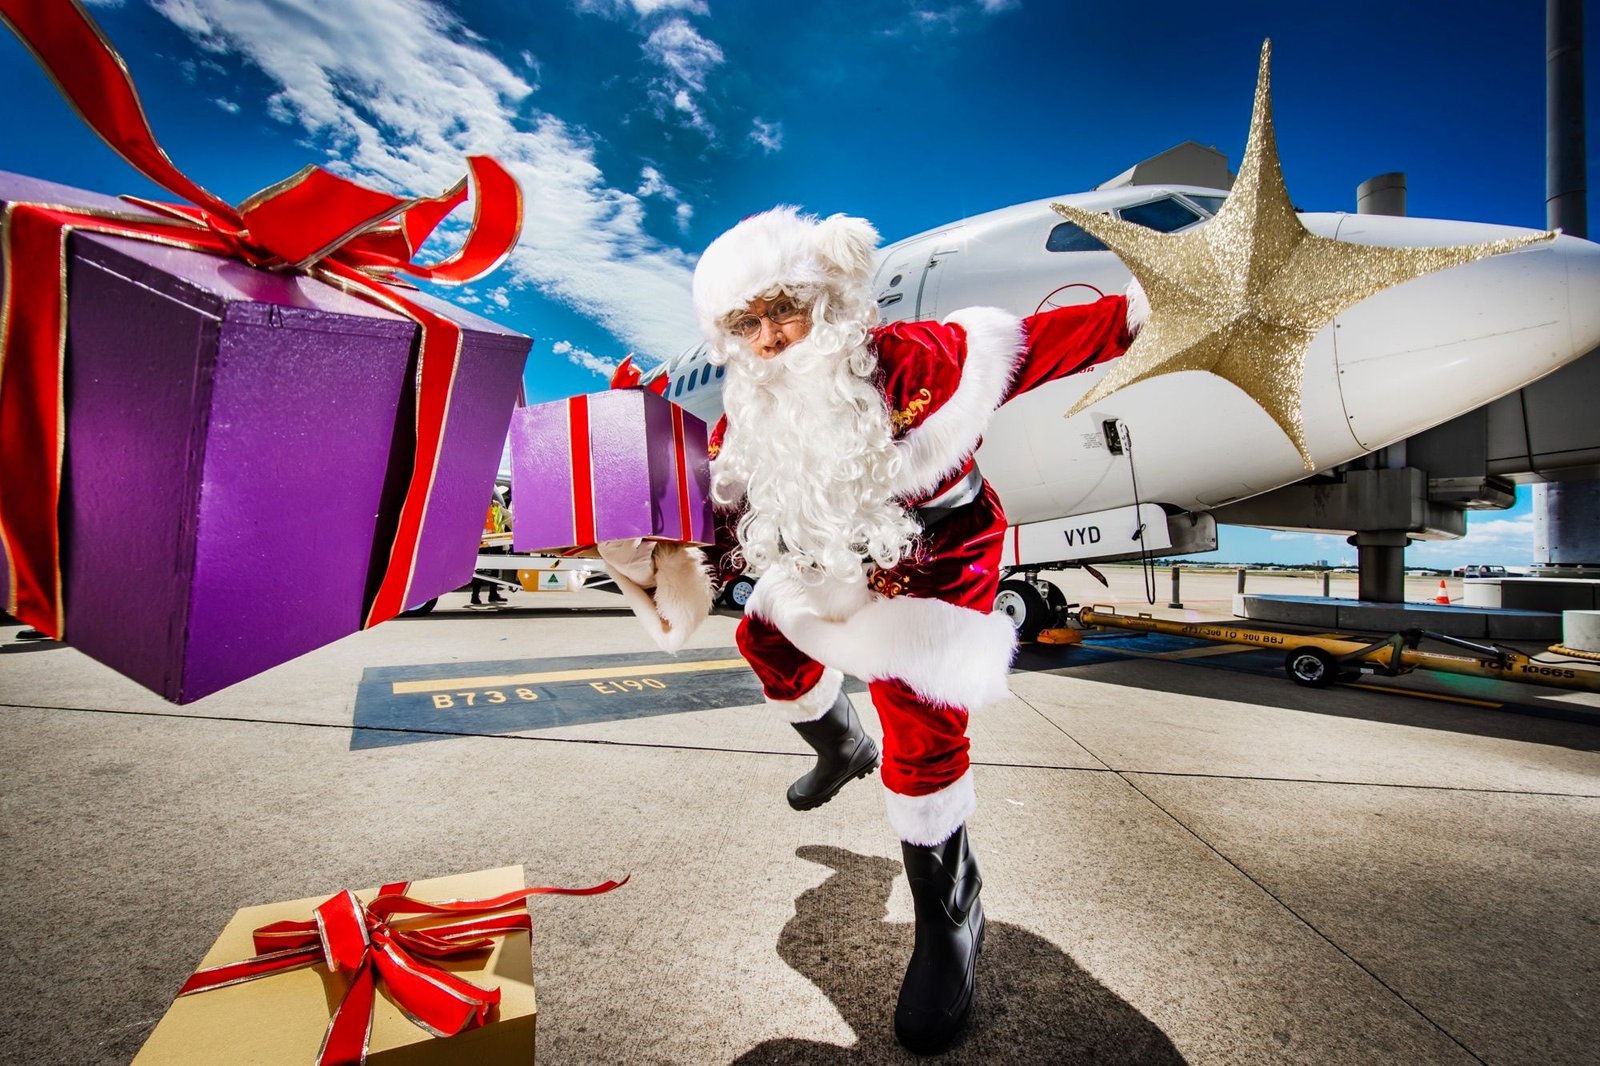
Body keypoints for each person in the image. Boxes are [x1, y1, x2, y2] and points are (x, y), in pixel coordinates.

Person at [598, 206, 1141, 1054]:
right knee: (763, 635)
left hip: (939, 554)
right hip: (833, 557)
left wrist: (1162, 311)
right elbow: (727, 525)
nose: (772, 336)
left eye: (786, 308)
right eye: (748, 322)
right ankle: (841, 745)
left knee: (918, 717)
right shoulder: (749, 420)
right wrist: (640, 543)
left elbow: (1051, 338)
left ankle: (950, 907)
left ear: (827, 299)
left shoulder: (919, 360)